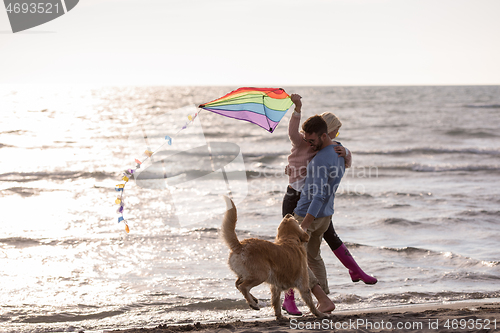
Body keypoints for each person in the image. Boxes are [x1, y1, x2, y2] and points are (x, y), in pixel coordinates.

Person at [281, 94, 377, 316]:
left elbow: (334, 169)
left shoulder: (331, 150)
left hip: (312, 204)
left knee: (301, 253)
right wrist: (297, 108)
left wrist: (347, 153)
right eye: (336, 132)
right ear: (325, 131)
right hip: (297, 196)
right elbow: (293, 133)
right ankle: (294, 299)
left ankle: (322, 297)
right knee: (301, 251)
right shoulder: (305, 142)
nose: (337, 136)